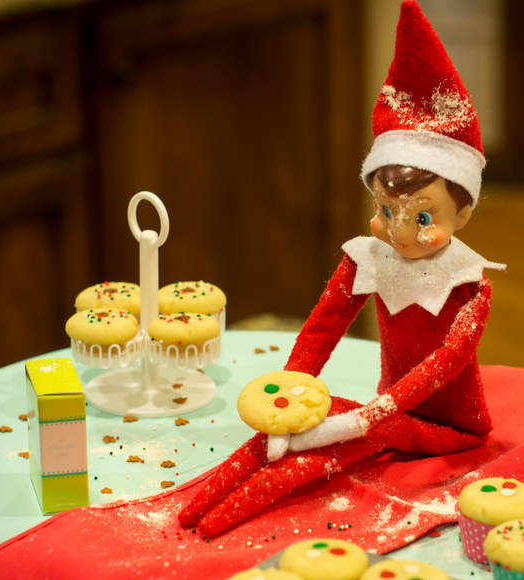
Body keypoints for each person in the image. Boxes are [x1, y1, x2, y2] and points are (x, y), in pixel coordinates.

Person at [179, 0, 505, 536]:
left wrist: (368, 418)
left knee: (320, 451)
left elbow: (446, 365)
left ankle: (219, 517)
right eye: (384, 211)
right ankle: (195, 508)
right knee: (285, 434)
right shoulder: (369, 259)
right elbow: (325, 324)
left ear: (462, 212)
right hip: (387, 408)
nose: (398, 231)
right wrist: (290, 391)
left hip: (447, 427)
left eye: (421, 217)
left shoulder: (468, 287)